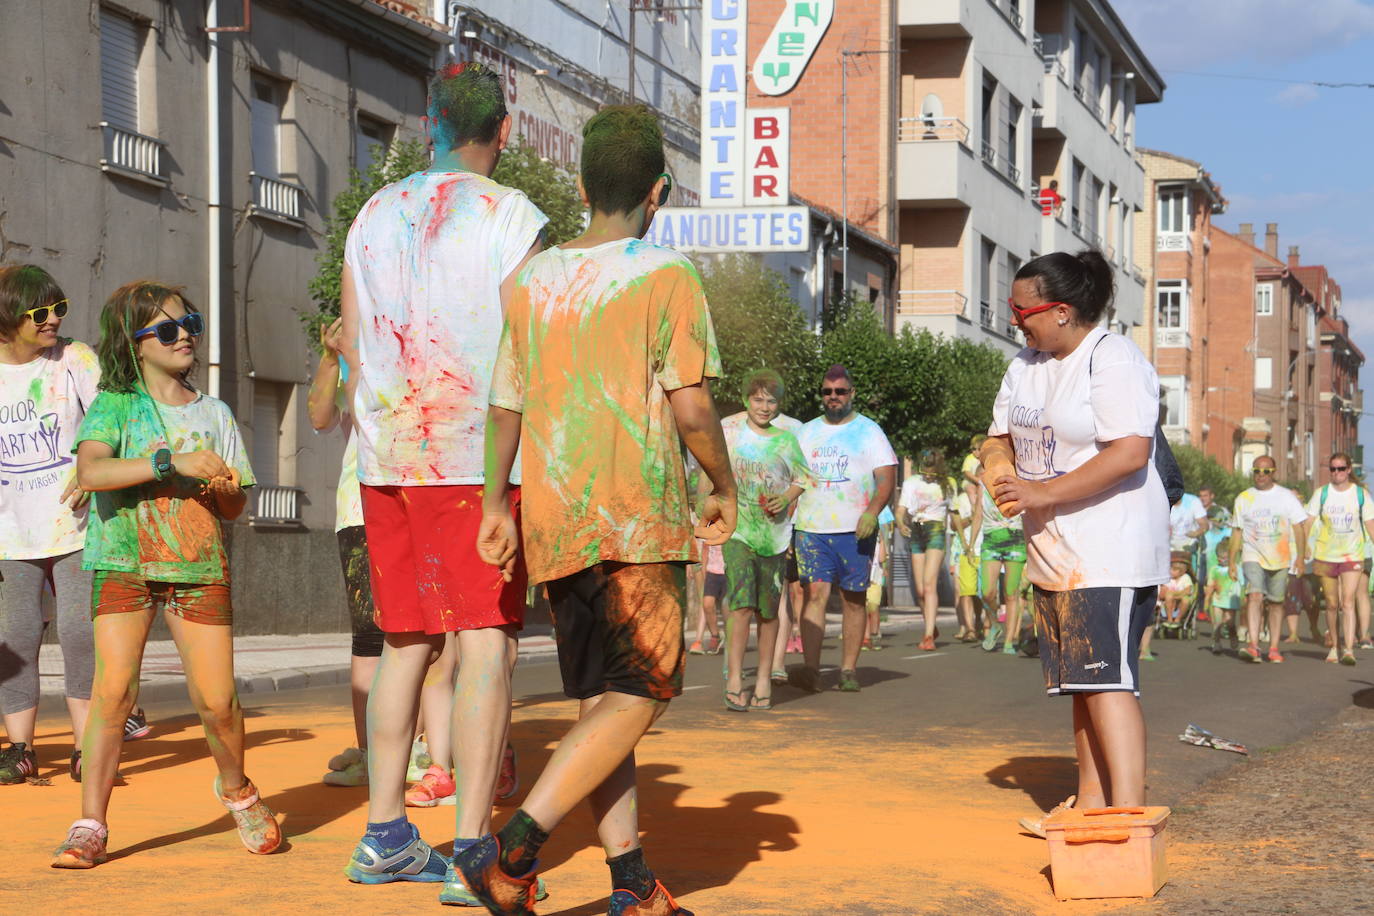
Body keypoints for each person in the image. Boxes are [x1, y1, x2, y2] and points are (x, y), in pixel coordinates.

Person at [467, 103, 734, 915]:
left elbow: (504, 404)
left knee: (601, 703)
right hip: (636, 517)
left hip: (555, 518)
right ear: (661, 192)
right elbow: (690, 405)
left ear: (582, 185)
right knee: (641, 692)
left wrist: (494, 506)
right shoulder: (666, 275)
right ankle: (510, 851)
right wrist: (721, 484)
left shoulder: (532, 281)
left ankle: (631, 885)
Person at [337, 62, 548, 894]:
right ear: (502, 131)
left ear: (429, 125)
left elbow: (352, 339)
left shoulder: (372, 213)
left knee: (405, 643)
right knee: (487, 641)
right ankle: (470, 853)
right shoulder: (510, 214)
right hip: (475, 458)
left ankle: (384, 831)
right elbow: (527, 350)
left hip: (390, 455)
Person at [52, 280, 279, 867]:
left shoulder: (215, 413)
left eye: (191, 324)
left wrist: (225, 490)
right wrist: (168, 462)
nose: (186, 337)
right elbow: (94, 473)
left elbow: (236, 505)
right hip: (123, 562)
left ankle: (237, 790)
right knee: (113, 693)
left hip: (198, 567)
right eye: (170, 329)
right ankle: (89, 825)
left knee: (218, 701)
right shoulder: (114, 406)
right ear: (135, 342)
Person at [982, 249, 1169, 836]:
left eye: (1023, 308)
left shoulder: (1112, 360)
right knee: (1081, 685)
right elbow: (998, 436)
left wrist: (1044, 494)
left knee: (1108, 680)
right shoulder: (1025, 364)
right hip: (1055, 551)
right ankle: (1090, 803)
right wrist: (997, 468)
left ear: (1061, 311)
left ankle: (1127, 817)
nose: (1016, 319)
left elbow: (1130, 452)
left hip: (1109, 545)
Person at [0, 266, 99, 787]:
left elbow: (107, 420)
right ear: (9, 317)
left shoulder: (74, 359)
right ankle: (20, 750)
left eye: (59, 308)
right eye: (40, 313)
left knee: (81, 632)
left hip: (76, 523)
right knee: (15, 636)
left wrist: (92, 468)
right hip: (12, 532)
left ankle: (87, 747)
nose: (54, 320)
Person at [307, 318, 383, 788]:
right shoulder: (346, 358)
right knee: (369, 635)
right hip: (358, 510)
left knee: (423, 634)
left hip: (417, 500)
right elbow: (319, 416)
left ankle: (425, 750)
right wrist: (329, 354)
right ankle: (370, 750)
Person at [791, 366, 897, 693]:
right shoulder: (805, 433)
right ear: (821, 395)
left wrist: (872, 513)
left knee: (854, 598)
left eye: (840, 392)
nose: (833, 397)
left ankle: (848, 669)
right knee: (815, 594)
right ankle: (811, 668)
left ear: (852, 394)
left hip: (856, 530)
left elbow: (886, 479)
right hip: (811, 528)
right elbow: (794, 480)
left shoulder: (869, 431)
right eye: (827, 392)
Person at [720, 370, 810, 711]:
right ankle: (732, 680)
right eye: (758, 399)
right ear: (746, 400)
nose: (764, 406)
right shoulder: (731, 436)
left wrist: (786, 498)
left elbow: (803, 479)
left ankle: (762, 680)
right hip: (739, 531)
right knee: (741, 604)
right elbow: (711, 475)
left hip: (774, 535)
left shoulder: (786, 440)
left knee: (769, 612)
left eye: (771, 400)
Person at [1230, 456, 1308, 664]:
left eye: (1265, 471)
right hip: (1252, 553)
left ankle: (1273, 647)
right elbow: (1237, 532)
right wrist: (1231, 561)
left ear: (1273, 472)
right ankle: (1253, 645)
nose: (1260, 475)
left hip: (1280, 557)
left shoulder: (1286, 497)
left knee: (1276, 602)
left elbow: (1299, 528)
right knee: (1254, 595)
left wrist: (1300, 557)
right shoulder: (1244, 498)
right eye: (1256, 471)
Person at [1305, 452, 1374, 665]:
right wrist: (1306, 545)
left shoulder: (1360, 494)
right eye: (1333, 469)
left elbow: (1370, 523)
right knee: (1332, 604)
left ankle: (1349, 649)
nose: (1337, 473)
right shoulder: (1321, 493)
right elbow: (1308, 520)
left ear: (1349, 470)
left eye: (1341, 469)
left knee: (1347, 601)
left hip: (1352, 554)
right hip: (1326, 555)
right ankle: (1334, 646)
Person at [896, 448, 956, 651]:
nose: (928, 474)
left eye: (932, 471)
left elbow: (954, 512)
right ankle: (931, 625)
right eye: (925, 470)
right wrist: (901, 523)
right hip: (916, 529)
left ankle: (928, 635)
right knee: (920, 590)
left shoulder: (947, 484)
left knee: (930, 585)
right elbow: (901, 509)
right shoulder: (911, 482)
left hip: (936, 529)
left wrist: (963, 539)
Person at [978, 469, 1027, 655]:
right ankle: (994, 623)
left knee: (1011, 593)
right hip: (991, 542)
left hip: (1016, 540)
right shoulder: (984, 482)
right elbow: (978, 514)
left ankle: (1008, 641)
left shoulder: (1021, 479)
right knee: (987, 592)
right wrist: (968, 546)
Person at [947, 485, 982, 642]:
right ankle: (967, 627)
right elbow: (953, 526)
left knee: (982, 593)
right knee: (962, 591)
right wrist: (971, 518)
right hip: (963, 550)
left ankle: (980, 622)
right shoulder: (960, 499)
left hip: (986, 549)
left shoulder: (990, 496)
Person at [863, 508, 895, 651]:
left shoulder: (878, 541)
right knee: (864, 609)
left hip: (875, 577)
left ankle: (874, 635)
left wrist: (882, 540)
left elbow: (882, 558)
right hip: (863, 578)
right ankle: (865, 638)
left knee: (873, 608)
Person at [1205, 543, 1242, 655]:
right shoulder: (1214, 569)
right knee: (1217, 623)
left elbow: (1242, 583)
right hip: (1218, 599)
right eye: (1220, 557)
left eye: (1225, 558)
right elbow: (1210, 585)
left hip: (1231, 600)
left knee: (1230, 623)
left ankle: (1233, 636)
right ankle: (1216, 643)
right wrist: (1207, 599)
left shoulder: (1236, 568)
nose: (1222, 560)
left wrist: (1243, 597)